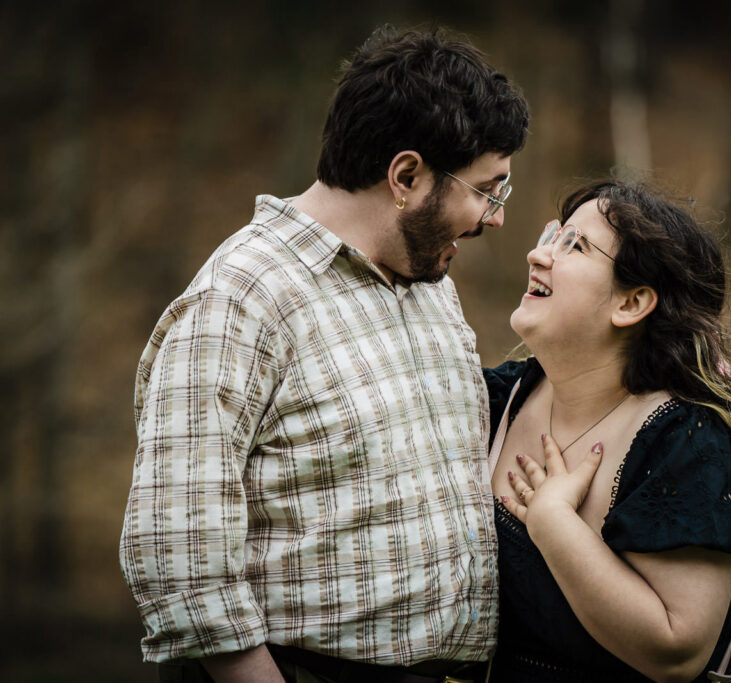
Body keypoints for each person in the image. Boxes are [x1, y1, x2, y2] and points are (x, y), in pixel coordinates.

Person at [119, 26, 528, 683]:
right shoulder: (243, 296)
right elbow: (180, 550)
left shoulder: (428, 283)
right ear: (407, 175)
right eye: (487, 189)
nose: (496, 217)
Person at [483, 179, 731, 682]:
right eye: (554, 235)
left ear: (631, 304)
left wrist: (552, 523)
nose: (538, 254)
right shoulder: (497, 401)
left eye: (575, 245)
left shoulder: (687, 440)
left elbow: (676, 653)